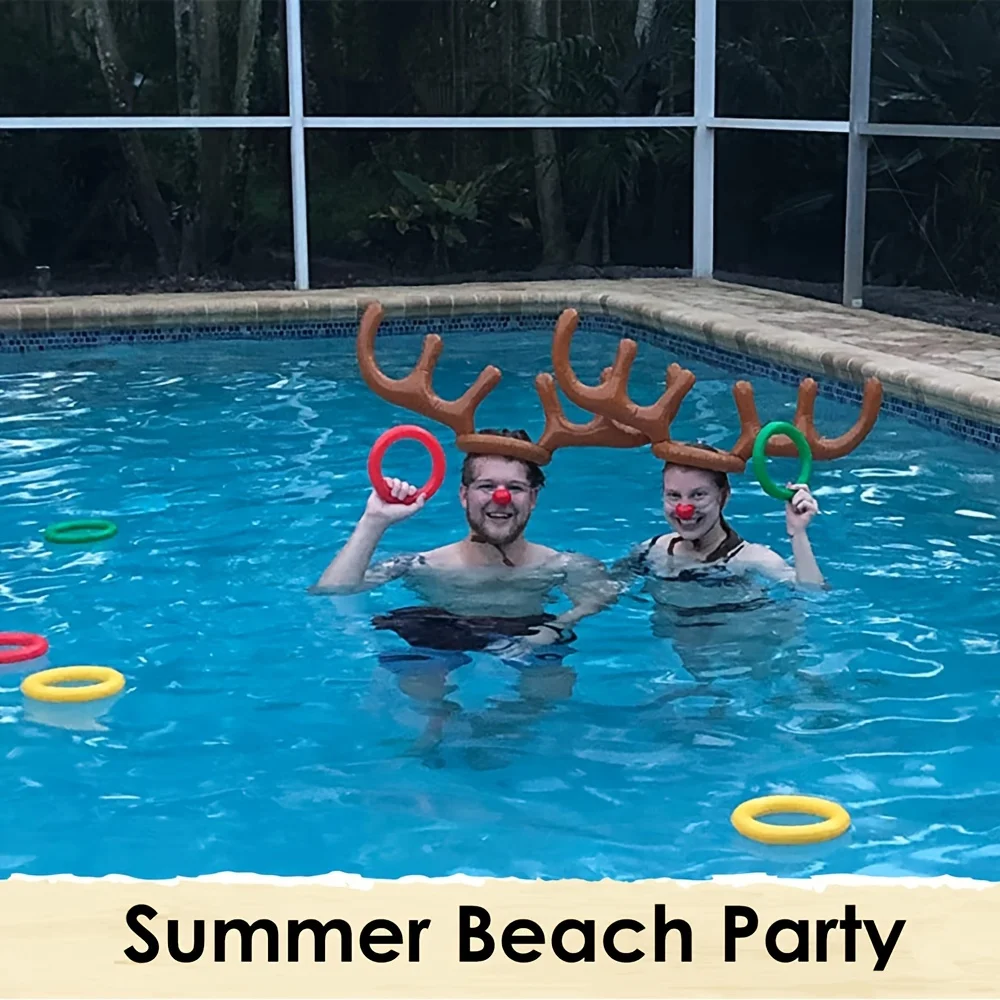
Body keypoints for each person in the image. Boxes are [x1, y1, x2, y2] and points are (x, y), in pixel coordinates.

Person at [312, 429, 618, 752]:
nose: (501, 497)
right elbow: (332, 593)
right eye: (486, 486)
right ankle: (432, 737)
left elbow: (601, 596)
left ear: (533, 498)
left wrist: (556, 625)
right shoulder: (421, 564)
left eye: (515, 487)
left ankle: (495, 736)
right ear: (463, 495)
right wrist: (374, 521)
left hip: (526, 631)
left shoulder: (564, 565)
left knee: (555, 685)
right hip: (438, 628)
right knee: (416, 694)